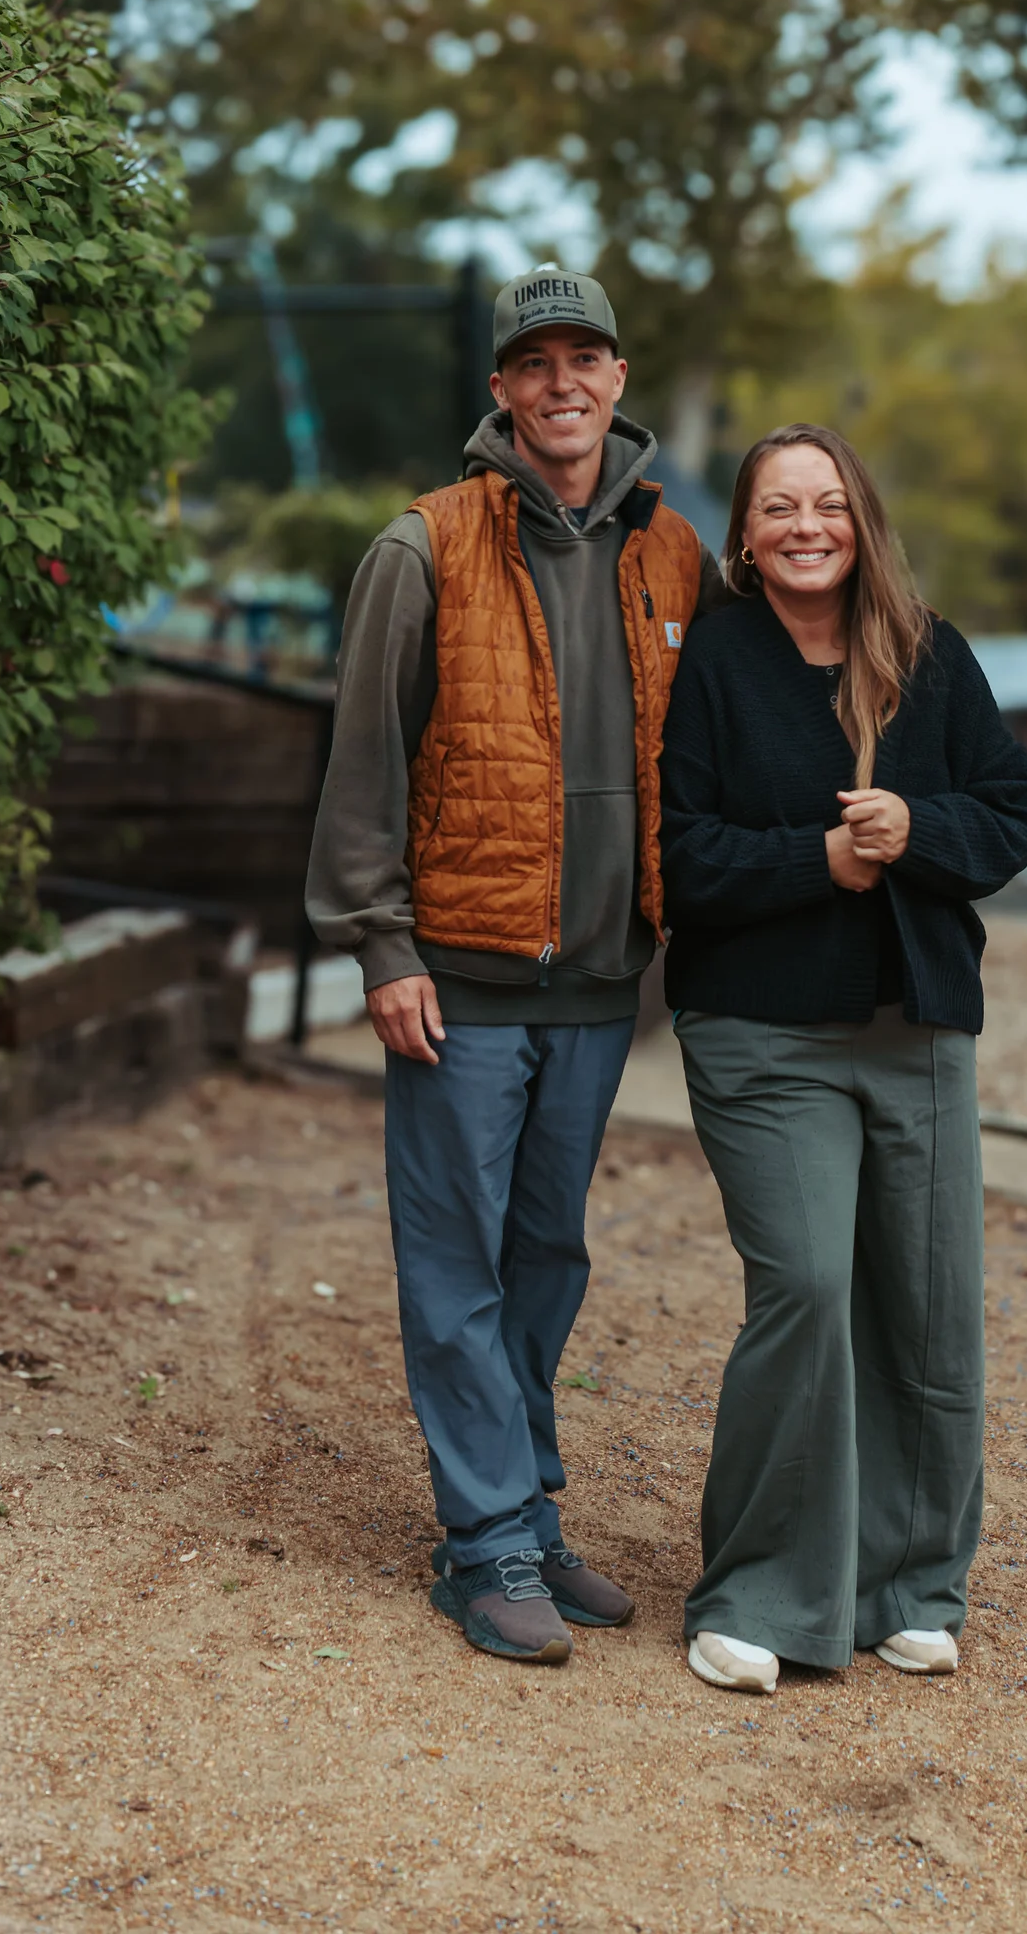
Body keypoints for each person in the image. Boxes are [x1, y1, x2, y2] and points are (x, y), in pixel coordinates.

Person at [306, 265, 723, 1666]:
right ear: (499, 388)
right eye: (532, 362)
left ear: (617, 379)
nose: (560, 385)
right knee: (454, 1262)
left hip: (603, 984)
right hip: (458, 979)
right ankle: (480, 1545)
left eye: (583, 360)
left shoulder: (676, 556)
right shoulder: (421, 548)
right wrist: (379, 940)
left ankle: (527, 1517)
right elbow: (361, 759)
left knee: (545, 1253)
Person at [658, 423, 1027, 1695]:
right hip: (762, 1033)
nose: (805, 525)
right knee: (810, 1290)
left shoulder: (928, 655)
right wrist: (813, 860)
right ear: (746, 535)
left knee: (930, 1316)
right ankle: (761, 1591)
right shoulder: (717, 658)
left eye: (826, 502)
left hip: (917, 1028)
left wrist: (916, 825)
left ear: (859, 519)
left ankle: (909, 1583)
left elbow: (1009, 817)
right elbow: (683, 856)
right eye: (779, 506)